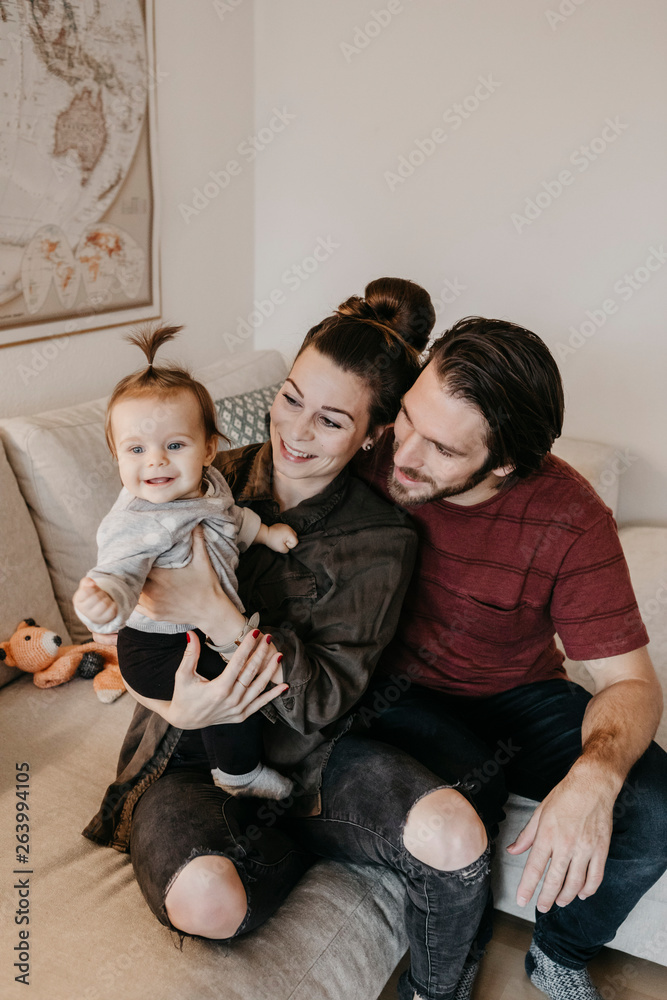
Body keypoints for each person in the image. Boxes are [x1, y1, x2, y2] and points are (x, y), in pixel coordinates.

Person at [84, 279, 491, 1000]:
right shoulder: (208, 476)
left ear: (373, 434)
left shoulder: (380, 538)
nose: (296, 432)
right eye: (291, 398)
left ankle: (437, 990)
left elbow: (325, 700)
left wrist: (222, 617)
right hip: (185, 752)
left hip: (312, 756)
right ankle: (269, 842)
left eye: (332, 421)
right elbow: (127, 603)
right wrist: (173, 704)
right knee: (206, 902)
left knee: (456, 836)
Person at [355, 315, 667, 1000]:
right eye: (408, 418)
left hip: (518, 691)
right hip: (394, 690)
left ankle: (556, 952)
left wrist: (595, 775)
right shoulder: (371, 448)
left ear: (502, 467)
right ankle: (451, 964)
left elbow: (630, 681)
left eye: (438, 448)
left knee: (653, 803)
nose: (402, 454)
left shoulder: (568, 516)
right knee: (469, 784)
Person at [73, 324, 297, 799]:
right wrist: (105, 598)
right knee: (225, 684)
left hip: (195, 631)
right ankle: (238, 775)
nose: (155, 462)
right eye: (136, 450)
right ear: (116, 456)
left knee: (237, 677)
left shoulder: (210, 485)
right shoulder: (137, 520)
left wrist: (267, 533)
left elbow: (230, 518)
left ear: (208, 449)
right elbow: (122, 570)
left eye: (174, 445)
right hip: (153, 648)